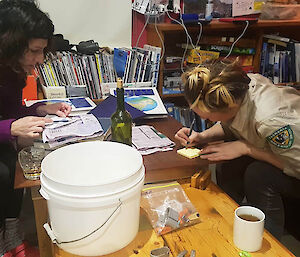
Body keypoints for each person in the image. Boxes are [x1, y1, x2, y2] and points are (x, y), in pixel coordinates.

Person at [175, 59, 300, 240]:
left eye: (207, 116)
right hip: (279, 149)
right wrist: (203, 136)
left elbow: (296, 166)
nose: (206, 119)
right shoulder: (236, 89)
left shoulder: (271, 120)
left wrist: (246, 148)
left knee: (258, 174)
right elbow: (232, 124)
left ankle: (268, 241)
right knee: (227, 158)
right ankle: (227, 217)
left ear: (228, 105)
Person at [0, 1, 71, 256]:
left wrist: (41, 109)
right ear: (11, 44)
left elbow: (8, 112)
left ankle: (10, 233)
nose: (40, 59)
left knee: (15, 161)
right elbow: (7, 121)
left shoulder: (12, 68)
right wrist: (9, 128)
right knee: (4, 169)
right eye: (34, 51)